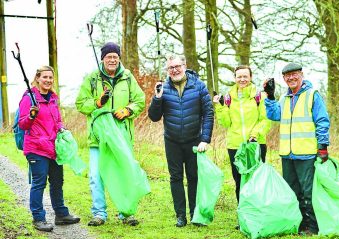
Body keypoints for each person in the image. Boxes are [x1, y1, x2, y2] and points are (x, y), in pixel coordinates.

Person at [75, 42, 145, 226]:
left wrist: (128, 110)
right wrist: (97, 103)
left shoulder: (128, 77)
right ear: (103, 58)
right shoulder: (92, 79)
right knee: (96, 175)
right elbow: (81, 103)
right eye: (108, 57)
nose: (112, 60)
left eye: (115, 56)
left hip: (122, 137)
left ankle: (127, 212)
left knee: (124, 174)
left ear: (119, 58)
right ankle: (99, 213)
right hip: (98, 139)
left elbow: (140, 100)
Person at [263, 62, 330, 235]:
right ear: (283, 78)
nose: (291, 78)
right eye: (287, 76)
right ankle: (299, 223)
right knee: (292, 192)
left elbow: (322, 121)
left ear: (301, 74)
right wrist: (270, 96)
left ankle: (313, 227)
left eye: (294, 74)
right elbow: (273, 115)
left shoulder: (312, 95)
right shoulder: (284, 99)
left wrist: (323, 147)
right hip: (287, 154)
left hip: (306, 153)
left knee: (308, 193)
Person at [148, 54, 214, 227]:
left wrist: (205, 139)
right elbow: (154, 117)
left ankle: (194, 214)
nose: (175, 70)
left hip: (194, 140)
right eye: (171, 68)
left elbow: (208, 113)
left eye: (177, 66)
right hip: (172, 140)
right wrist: (157, 97)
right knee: (175, 177)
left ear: (185, 66)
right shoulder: (163, 88)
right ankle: (180, 216)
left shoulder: (199, 86)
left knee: (193, 177)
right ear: (167, 70)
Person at [19, 65, 80, 232]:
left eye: (50, 78)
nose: (47, 80)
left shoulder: (53, 98)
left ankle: (61, 214)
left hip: (53, 147)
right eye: (44, 77)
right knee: (39, 183)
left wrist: (62, 128)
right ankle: (38, 218)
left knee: (57, 181)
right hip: (36, 148)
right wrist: (31, 115)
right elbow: (23, 124)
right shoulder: (29, 98)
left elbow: (57, 120)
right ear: (37, 78)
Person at [213, 65, 271, 204]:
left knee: (256, 179)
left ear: (250, 77)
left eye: (245, 76)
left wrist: (255, 134)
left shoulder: (260, 96)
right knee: (239, 180)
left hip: (255, 144)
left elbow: (266, 120)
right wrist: (220, 107)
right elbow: (226, 123)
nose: (242, 79)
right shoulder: (228, 98)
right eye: (239, 76)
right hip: (235, 145)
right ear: (235, 78)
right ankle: (243, 215)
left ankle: (258, 214)